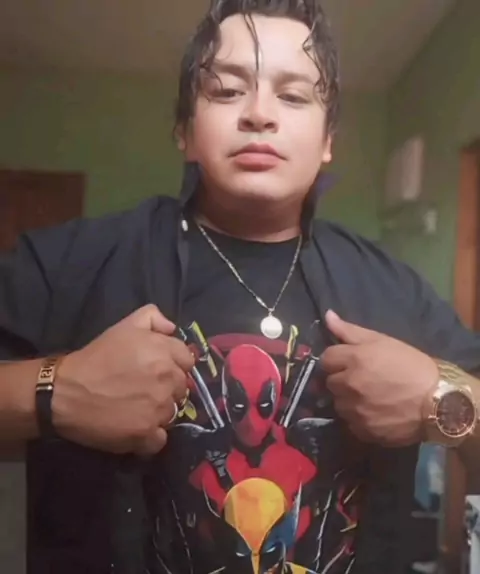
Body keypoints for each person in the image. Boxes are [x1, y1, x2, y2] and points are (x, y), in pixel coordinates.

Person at [1, 1, 480, 573]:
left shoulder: (394, 290)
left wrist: (442, 399)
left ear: (328, 139)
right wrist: (55, 392)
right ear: (185, 131)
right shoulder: (67, 265)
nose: (259, 114)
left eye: (293, 96)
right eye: (227, 91)